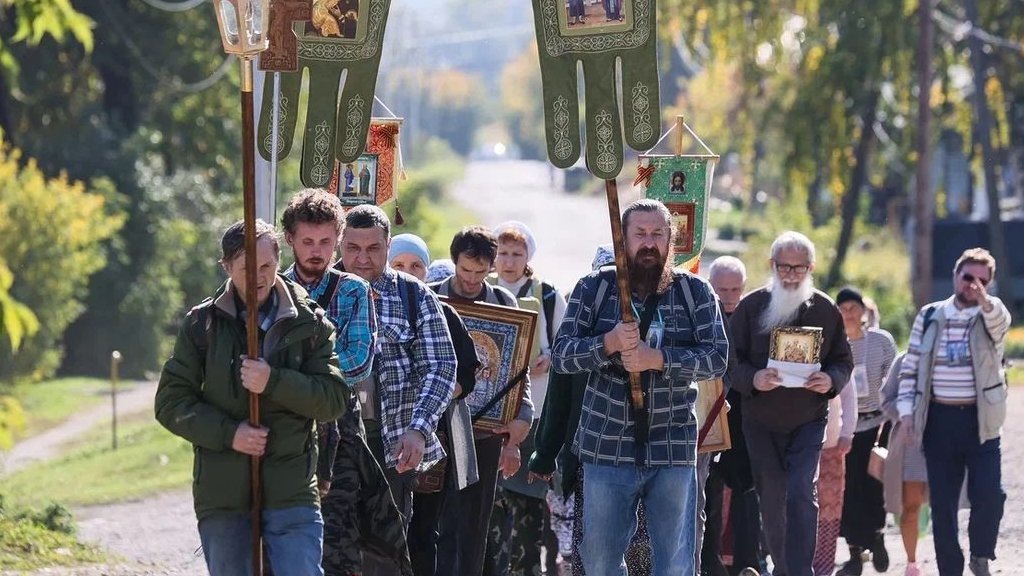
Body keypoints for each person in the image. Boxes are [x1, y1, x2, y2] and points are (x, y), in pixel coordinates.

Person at [155, 219, 348, 576]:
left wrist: (273, 381)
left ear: (278, 259)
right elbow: (170, 403)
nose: (258, 276)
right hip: (223, 494)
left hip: (293, 490)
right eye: (246, 267)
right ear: (226, 267)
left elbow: (334, 399)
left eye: (267, 266)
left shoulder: (310, 323)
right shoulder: (202, 325)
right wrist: (231, 434)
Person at [551, 199, 729, 576]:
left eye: (657, 234)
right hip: (605, 444)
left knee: (674, 561)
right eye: (640, 234)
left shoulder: (695, 292)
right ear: (623, 238)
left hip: (673, 444)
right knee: (599, 560)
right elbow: (563, 356)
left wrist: (658, 359)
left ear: (671, 240)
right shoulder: (594, 289)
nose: (649, 243)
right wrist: (608, 343)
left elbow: (716, 358)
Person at [279, 189, 409, 576]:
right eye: (307, 241)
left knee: (340, 541)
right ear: (290, 239)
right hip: (284, 430)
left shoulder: (352, 290)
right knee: (283, 533)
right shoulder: (274, 290)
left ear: (337, 239)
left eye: (324, 241)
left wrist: (293, 380)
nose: (316, 250)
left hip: (340, 433)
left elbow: (357, 361)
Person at [340, 204, 458, 576]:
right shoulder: (322, 291)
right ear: (339, 246)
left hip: (391, 445)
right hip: (333, 442)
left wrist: (418, 429)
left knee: (385, 551)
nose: (362, 258)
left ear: (388, 246)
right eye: (352, 248)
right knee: (333, 546)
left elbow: (441, 366)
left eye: (372, 248)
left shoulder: (414, 296)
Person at [729, 231, 853, 576]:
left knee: (800, 491)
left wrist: (830, 380)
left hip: (808, 419)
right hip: (760, 421)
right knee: (771, 497)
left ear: (810, 268)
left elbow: (843, 361)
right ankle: (782, 567)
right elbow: (728, 362)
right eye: (784, 267)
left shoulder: (826, 309)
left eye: (799, 268)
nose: (791, 275)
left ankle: (799, 572)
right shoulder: (751, 307)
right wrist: (753, 378)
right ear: (773, 265)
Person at [529, 244, 654, 576]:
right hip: (590, 456)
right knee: (594, 547)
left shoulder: (655, 331)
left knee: (640, 546)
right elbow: (558, 400)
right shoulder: (576, 341)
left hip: (645, 457)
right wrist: (544, 454)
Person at [897, 247, 1010, 576]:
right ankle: (950, 569)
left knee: (991, 495)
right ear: (955, 277)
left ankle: (980, 554)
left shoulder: (990, 314)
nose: (973, 285)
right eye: (968, 277)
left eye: (982, 280)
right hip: (939, 420)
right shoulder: (931, 315)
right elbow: (912, 366)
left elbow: (1001, 324)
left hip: (982, 422)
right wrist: (907, 413)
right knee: (943, 506)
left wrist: (986, 301)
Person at [432, 226, 535, 576]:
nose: (472, 280)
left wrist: (522, 416)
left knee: (474, 522)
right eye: (465, 271)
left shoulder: (504, 304)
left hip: (484, 432)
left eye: (480, 272)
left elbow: (516, 371)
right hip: (439, 429)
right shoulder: (433, 299)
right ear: (454, 262)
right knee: (433, 517)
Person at [388, 233, 482, 576]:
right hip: (379, 438)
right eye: (399, 265)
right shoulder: (368, 304)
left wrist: (430, 398)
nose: (408, 272)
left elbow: (466, 373)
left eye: (416, 266)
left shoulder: (442, 311)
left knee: (422, 533)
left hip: (433, 440)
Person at [484, 220, 568, 576]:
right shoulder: (480, 290)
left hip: (536, 411)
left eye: (516, 253)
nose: (508, 260)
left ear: (527, 257)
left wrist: (548, 360)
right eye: (502, 252)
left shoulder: (547, 296)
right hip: (489, 412)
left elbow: (567, 347)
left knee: (531, 498)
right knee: (491, 499)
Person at [703, 256, 763, 576]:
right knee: (708, 491)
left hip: (745, 418)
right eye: (721, 289)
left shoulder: (755, 318)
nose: (727, 297)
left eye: (734, 289)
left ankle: (748, 562)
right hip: (709, 414)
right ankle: (709, 563)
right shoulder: (700, 315)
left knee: (747, 492)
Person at [833, 287, 897, 576]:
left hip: (878, 424)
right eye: (843, 308)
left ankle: (878, 536)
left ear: (863, 309)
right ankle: (854, 553)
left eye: (853, 307)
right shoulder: (834, 345)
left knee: (874, 486)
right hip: (846, 427)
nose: (849, 313)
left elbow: (895, 379)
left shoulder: (881, 342)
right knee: (848, 489)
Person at [880, 352, 930, 576]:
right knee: (911, 505)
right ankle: (912, 563)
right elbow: (886, 398)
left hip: (946, 439)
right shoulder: (904, 360)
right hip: (911, 444)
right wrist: (905, 414)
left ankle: (949, 556)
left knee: (945, 506)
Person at [812, 358, 856, 576]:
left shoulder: (837, 348)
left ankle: (823, 568)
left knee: (830, 509)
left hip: (832, 444)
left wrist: (847, 433)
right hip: (798, 444)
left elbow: (848, 397)